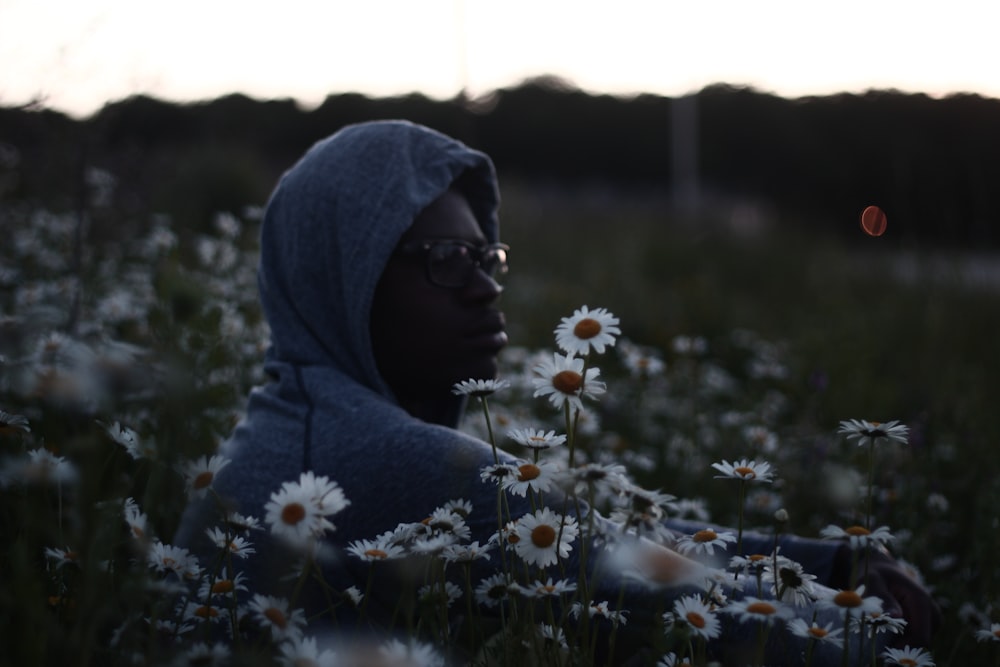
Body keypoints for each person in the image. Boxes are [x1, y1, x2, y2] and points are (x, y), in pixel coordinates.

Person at [175, 120, 937, 664]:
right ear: (343, 278)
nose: (483, 289)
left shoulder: (300, 421)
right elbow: (679, 603)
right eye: (443, 257)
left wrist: (831, 564)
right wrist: (869, 626)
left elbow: (611, 534)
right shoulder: (370, 459)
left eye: (486, 255)